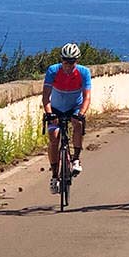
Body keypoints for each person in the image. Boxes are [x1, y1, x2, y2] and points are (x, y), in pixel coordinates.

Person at [42, 42, 92, 194]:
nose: (68, 66)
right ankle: (54, 175)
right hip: (56, 108)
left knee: (77, 124)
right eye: (66, 62)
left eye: (72, 62)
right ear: (61, 60)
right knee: (53, 136)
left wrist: (81, 113)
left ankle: (76, 158)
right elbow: (45, 96)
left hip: (74, 107)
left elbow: (87, 97)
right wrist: (49, 113)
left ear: (76, 61)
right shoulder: (53, 70)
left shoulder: (84, 72)